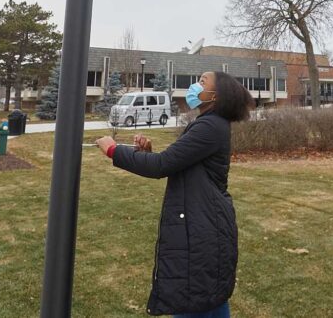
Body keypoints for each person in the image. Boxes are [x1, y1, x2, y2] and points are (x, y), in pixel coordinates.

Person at [95, 71, 253, 317]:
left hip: (203, 228)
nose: (194, 86)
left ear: (216, 96)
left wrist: (114, 151)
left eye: (202, 82)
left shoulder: (210, 126)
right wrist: (146, 153)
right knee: (207, 298)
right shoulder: (209, 123)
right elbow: (177, 163)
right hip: (206, 225)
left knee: (196, 298)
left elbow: (162, 166)